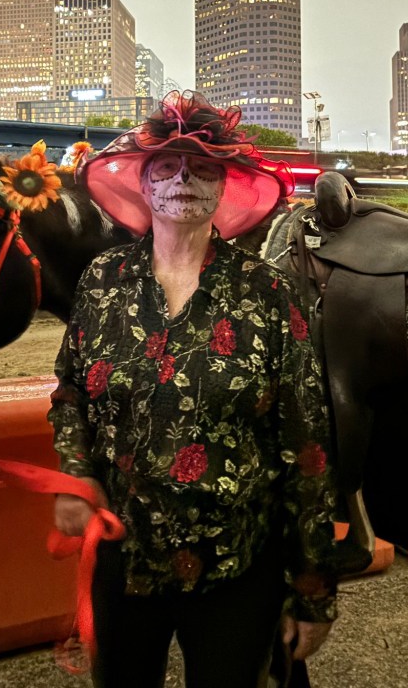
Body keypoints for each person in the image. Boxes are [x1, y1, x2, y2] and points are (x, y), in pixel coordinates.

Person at [48, 91, 338, 688]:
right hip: (124, 560)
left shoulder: (269, 293)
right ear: (144, 183)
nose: (184, 179)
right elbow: (71, 394)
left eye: (203, 167)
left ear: (223, 186)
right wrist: (76, 472)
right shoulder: (102, 281)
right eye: (167, 166)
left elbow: (306, 447)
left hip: (236, 568)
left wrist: (312, 592)